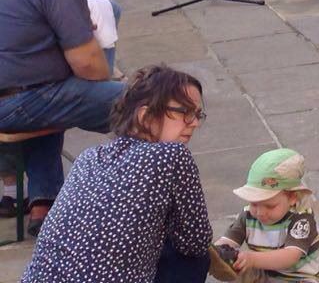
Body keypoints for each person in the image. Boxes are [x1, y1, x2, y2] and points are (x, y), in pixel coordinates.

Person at [0, 0, 125, 238]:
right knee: (146, 103)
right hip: (15, 102)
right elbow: (87, 64)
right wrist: (112, 76)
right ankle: (133, 199)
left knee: (51, 87)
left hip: (21, 91)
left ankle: (45, 199)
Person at [20, 64, 209, 283]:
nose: (194, 122)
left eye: (197, 114)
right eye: (184, 112)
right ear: (145, 116)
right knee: (196, 257)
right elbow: (196, 241)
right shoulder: (171, 154)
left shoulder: (88, 157)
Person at [213, 147, 319, 282]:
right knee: (240, 269)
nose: (260, 212)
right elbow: (229, 240)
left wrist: (252, 259)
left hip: (297, 278)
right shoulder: (247, 215)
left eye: (270, 206)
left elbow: (290, 256)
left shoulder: (301, 220)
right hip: (264, 276)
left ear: (293, 197)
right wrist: (217, 253)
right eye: (254, 203)